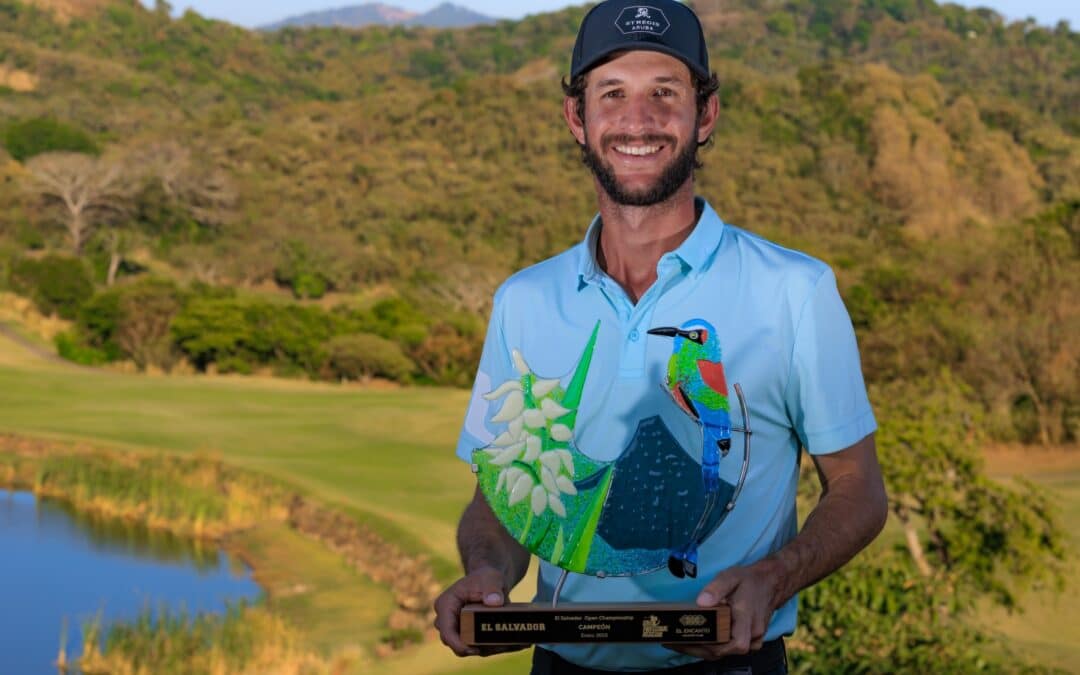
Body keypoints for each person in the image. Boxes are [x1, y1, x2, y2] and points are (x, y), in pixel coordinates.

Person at [434, 1, 888, 672]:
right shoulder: (523, 301)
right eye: (611, 94)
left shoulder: (796, 289)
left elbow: (858, 486)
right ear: (576, 118)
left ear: (704, 114)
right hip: (560, 665)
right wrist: (486, 572)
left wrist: (775, 575)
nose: (637, 121)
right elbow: (502, 499)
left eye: (664, 94)